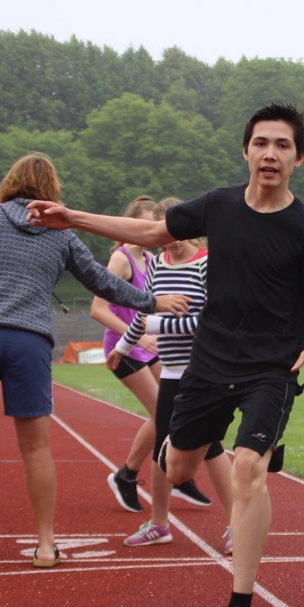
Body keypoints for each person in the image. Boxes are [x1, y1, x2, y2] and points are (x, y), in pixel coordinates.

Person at [26, 103, 304, 607]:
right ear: (245, 151)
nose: (270, 153)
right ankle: (192, 446)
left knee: (249, 467)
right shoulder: (219, 206)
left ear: (299, 158)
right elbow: (150, 233)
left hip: (272, 368)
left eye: (283, 145)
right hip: (209, 363)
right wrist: (72, 218)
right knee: (176, 469)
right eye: (261, 143)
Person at [0, 153, 187, 568]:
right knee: (36, 447)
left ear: (10, 182)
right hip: (29, 340)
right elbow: (101, 281)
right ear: (51, 191)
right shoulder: (61, 234)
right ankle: (45, 545)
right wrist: (152, 302)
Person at [109, 197, 233, 554]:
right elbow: (143, 311)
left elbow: (213, 321)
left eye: (179, 232)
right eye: (166, 233)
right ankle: (159, 524)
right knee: (162, 447)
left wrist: (158, 324)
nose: (172, 240)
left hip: (204, 372)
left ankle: (237, 525)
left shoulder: (206, 264)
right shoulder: (158, 264)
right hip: (172, 372)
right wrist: (123, 347)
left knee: (211, 447)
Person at [91, 196, 211, 513]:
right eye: (150, 226)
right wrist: (134, 340)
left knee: (173, 412)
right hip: (130, 346)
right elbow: (98, 309)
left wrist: (150, 333)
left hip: (154, 344)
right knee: (164, 414)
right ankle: (128, 475)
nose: (157, 233)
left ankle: (177, 472)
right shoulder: (121, 259)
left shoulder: (153, 259)